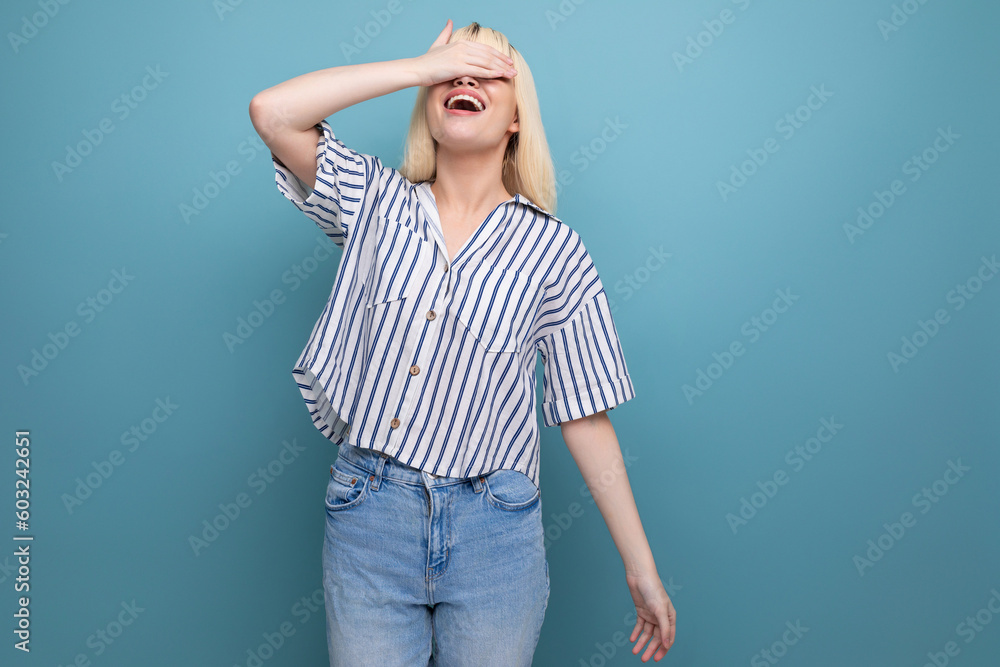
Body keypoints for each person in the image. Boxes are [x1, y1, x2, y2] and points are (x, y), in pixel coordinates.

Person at [249, 18, 675, 665]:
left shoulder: (555, 251)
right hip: (371, 515)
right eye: (453, 70)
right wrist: (418, 67)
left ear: (515, 121)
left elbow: (586, 414)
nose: (465, 78)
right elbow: (273, 112)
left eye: (488, 71)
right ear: (431, 101)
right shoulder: (375, 204)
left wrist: (640, 567)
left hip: (495, 532)